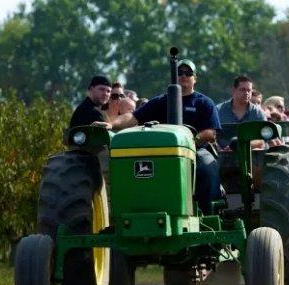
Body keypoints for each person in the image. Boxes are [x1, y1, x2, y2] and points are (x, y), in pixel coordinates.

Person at [105, 59, 222, 214]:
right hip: (162, 152)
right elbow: (132, 118)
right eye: (179, 73)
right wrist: (111, 124)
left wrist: (192, 141)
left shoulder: (204, 103)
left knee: (208, 167)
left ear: (195, 78)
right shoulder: (160, 102)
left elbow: (211, 133)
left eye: (188, 73)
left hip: (195, 150)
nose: (183, 76)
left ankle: (208, 212)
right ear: (174, 76)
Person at [216, 75, 267, 148]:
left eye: (249, 90)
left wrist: (241, 146)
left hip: (251, 155)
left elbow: (262, 139)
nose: (246, 93)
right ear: (234, 90)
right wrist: (220, 149)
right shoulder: (218, 111)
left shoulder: (258, 113)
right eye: (243, 89)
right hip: (223, 155)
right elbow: (212, 135)